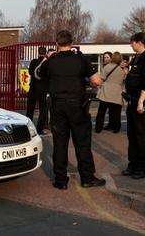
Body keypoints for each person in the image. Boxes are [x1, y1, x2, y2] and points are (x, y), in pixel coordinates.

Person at [37, 30, 106, 189]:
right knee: (82, 142)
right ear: (71, 42)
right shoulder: (81, 59)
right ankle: (87, 178)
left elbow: (38, 74)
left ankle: (61, 180)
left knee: (60, 143)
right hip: (77, 106)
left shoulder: (51, 61)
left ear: (57, 43)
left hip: (57, 106)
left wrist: (47, 58)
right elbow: (96, 81)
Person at [122, 32, 145, 179]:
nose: (130, 44)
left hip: (141, 103)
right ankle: (133, 164)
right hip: (132, 101)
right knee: (132, 135)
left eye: (132, 42)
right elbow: (134, 79)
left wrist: (141, 101)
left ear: (139, 42)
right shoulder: (137, 58)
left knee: (143, 135)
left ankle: (144, 167)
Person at [95, 52, 126, 133]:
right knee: (116, 113)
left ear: (112, 58)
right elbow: (124, 79)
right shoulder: (122, 69)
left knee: (101, 112)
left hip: (106, 92)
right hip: (117, 92)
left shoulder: (107, 67)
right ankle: (116, 128)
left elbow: (101, 78)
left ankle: (98, 128)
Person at [26, 47, 49, 134]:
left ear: (38, 52)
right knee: (43, 110)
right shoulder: (47, 63)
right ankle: (39, 129)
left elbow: (30, 72)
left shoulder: (33, 61)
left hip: (33, 88)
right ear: (45, 52)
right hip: (43, 89)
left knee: (30, 110)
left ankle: (28, 128)